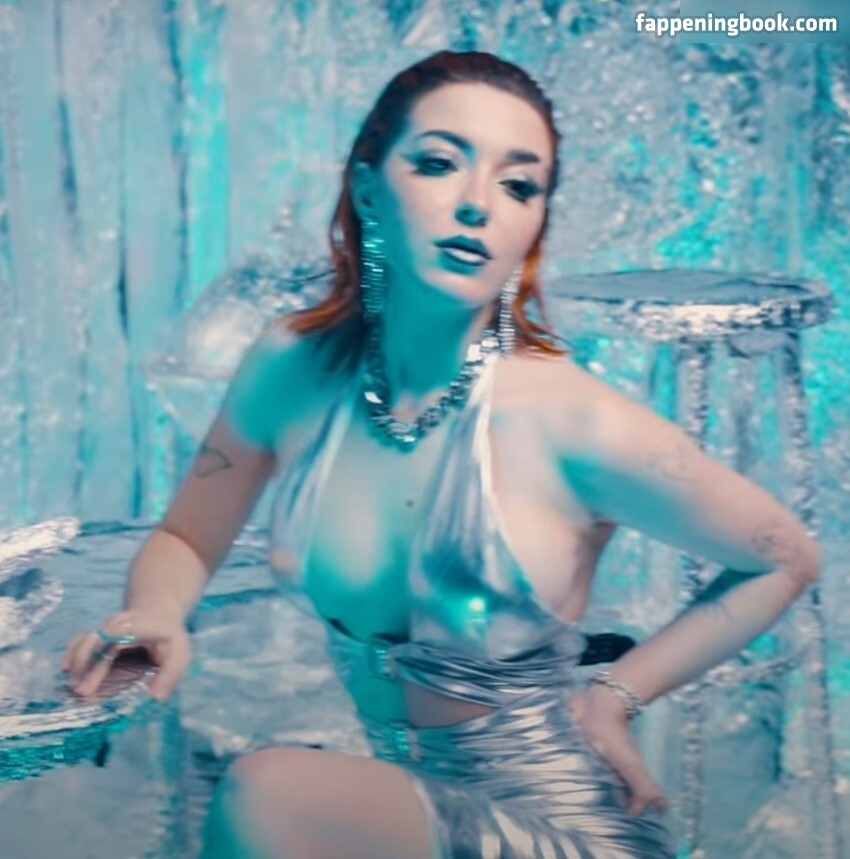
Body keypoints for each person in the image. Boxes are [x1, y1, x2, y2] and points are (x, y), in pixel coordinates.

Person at [62, 50, 822, 859]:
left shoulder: (572, 420)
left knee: (266, 790)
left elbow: (786, 556)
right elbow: (187, 535)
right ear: (366, 189)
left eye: (518, 186)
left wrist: (614, 694)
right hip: (415, 814)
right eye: (438, 164)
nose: (477, 205)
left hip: (563, 831)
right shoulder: (293, 367)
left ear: (534, 226)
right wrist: (155, 614)